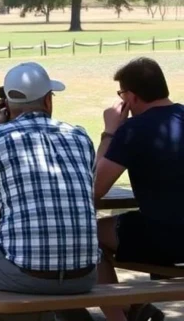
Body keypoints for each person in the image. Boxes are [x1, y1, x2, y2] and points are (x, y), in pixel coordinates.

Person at [0, 62, 98, 321]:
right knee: (51, 266)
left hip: (27, 271)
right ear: (48, 101)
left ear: (6, 104)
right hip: (86, 274)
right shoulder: (80, 137)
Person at [94, 58, 184, 321]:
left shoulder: (133, 130)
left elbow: (95, 188)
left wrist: (110, 132)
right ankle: (133, 308)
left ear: (131, 97)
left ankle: (120, 315)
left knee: (86, 235)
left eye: (121, 94)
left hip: (165, 237)